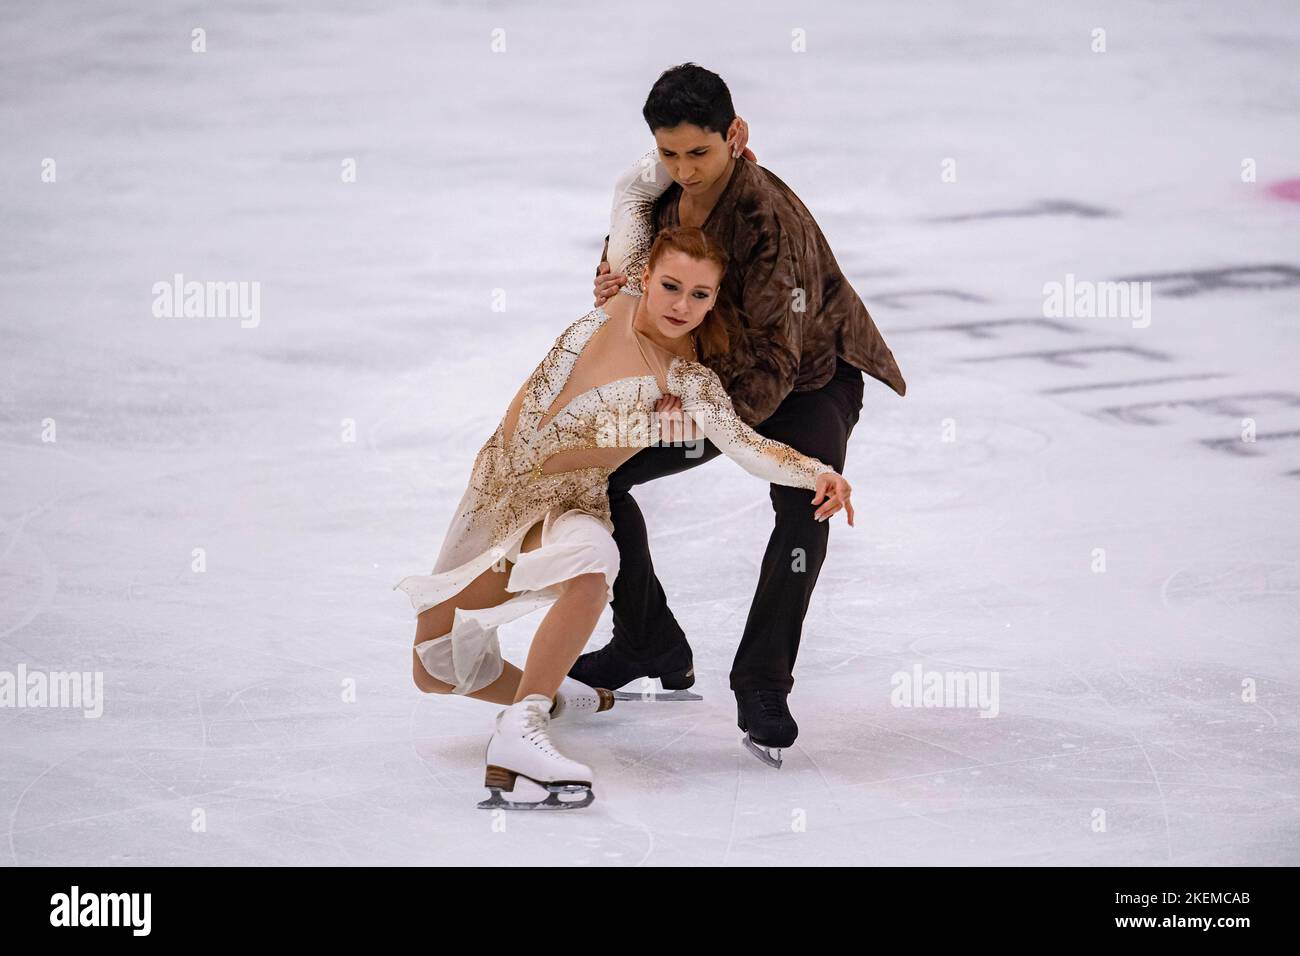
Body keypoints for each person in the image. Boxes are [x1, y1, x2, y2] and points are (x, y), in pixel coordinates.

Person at [393, 147, 854, 809]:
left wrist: (817, 471)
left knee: (591, 561)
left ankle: (520, 731)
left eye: (700, 295)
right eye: (672, 286)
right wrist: (715, 152)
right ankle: (554, 694)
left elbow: (747, 447)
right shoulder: (622, 284)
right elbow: (633, 187)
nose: (682, 304)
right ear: (647, 273)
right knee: (436, 666)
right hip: (495, 490)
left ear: (714, 301)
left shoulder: (690, 380)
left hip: (568, 501)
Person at [569, 63, 906, 767]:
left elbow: (780, 363)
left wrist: (699, 420)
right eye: (670, 153)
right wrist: (611, 274)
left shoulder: (764, 220)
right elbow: (645, 261)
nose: (685, 169)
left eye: (700, 152)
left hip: (811, 379)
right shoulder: (665, 191)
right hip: (716, 376)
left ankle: (761, 682)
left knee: (802, 504)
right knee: (598, 478)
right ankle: (646, 639)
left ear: (736, 135)